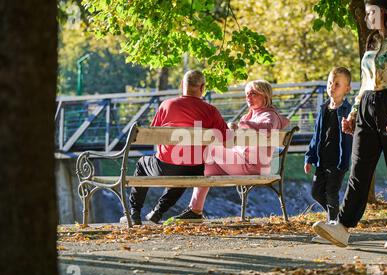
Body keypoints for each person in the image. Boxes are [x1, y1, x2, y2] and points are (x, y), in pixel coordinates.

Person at [313, 0, 387, 249]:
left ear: (385, 11)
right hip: (367, 108)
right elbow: (364, 84)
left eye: (371, 12)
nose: (366, 17)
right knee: (358, 170)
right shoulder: (371, 43)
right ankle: (342, 227)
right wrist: (352, 114)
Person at [119, 70, 228, 225]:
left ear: (181, 85)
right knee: (184, 169)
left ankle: (134, 214)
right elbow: (226, 140)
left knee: (143, 163)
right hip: (195, 169)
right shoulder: (211, 110)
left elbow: (153, 133)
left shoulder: (167, 105)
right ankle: (157, 213)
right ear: (202, 87)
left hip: (164, 167)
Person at [174, 80, 290, 221]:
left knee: (207, 149)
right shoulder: (251, 115)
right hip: (244, 162)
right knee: (205, 167)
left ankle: (194, 209)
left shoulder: (269, 115)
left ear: (265, 96)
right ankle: (195, 210)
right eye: (247, 94)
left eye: (253, 94)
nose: (249, 98)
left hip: (252, 165)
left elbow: (268, 128)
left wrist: (241, 125)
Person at [304, 67, 353, 244]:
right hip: (322, 159)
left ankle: (333, 227)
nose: (332, 87)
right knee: (316, 192)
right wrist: (309, 157)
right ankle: (337, 221)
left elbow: (353, 134)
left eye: (337, 84)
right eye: (330, 83)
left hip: (338, 161)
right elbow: (316, 136)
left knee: (332, 193)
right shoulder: (324, 108)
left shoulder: (349, 110)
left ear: (347, 89)